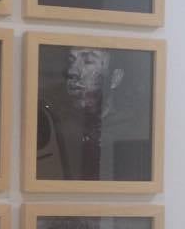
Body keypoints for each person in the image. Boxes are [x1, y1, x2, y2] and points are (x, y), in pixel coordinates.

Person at [37, 45, 152, 181]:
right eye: (71, 61)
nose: (72, 71)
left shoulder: (135, 130)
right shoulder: (50, 124)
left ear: (115, 78)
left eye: (88, 62)